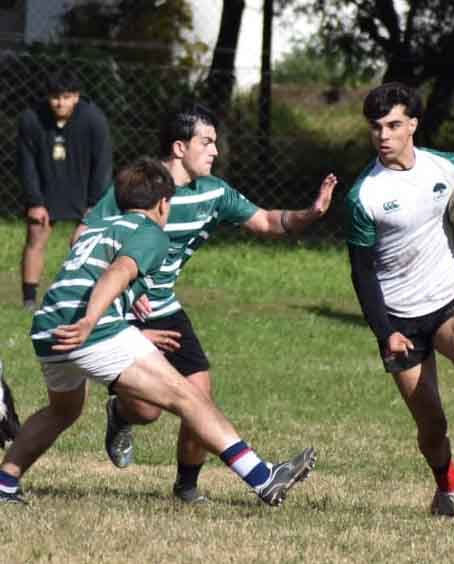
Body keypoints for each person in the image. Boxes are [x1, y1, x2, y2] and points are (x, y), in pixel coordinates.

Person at [0, 157, 315, 506]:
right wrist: (91, 322)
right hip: (89, 329)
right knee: (189, 397)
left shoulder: (104, 226)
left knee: (62, 411)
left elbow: (85, 276)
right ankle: (263, 477)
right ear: (164, 203)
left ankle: (5, 482)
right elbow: (119, 272)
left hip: (49, 328)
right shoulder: (150, 233)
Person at [76, 103, 337, 504]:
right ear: (179, 148)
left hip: (165, 308)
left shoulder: (214, 192)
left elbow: (267, 221)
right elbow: (83, 238)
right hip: (120, 310)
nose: (215, 150)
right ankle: (122, 414)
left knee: (200, 398)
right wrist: (127, 286)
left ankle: (186, 487)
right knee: (147, 411)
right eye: (206, 142)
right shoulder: (138, 188)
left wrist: (311, 213)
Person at [345, 82, 454, 518]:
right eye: (375, 127)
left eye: (393, 125)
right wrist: (385, 333)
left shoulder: (448, 166)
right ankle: (447, 487)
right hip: (399, 318)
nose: (383, 135)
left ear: (413, 125)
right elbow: (362, 273)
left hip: (448, 298)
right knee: (431, 426)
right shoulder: (363, 195)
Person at [18, 69, 113, 311]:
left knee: (84, 242)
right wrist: (35, 202)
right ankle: (29, 300)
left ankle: (86, 298)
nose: (60, 103)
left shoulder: (94, 120)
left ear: (77, 96)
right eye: (55, 97)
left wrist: (95, 204)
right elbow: (26, 165)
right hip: (46, 189)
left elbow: (103, 164)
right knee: (35, 235)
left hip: (84, 191)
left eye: (67, 97)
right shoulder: (31, 119)